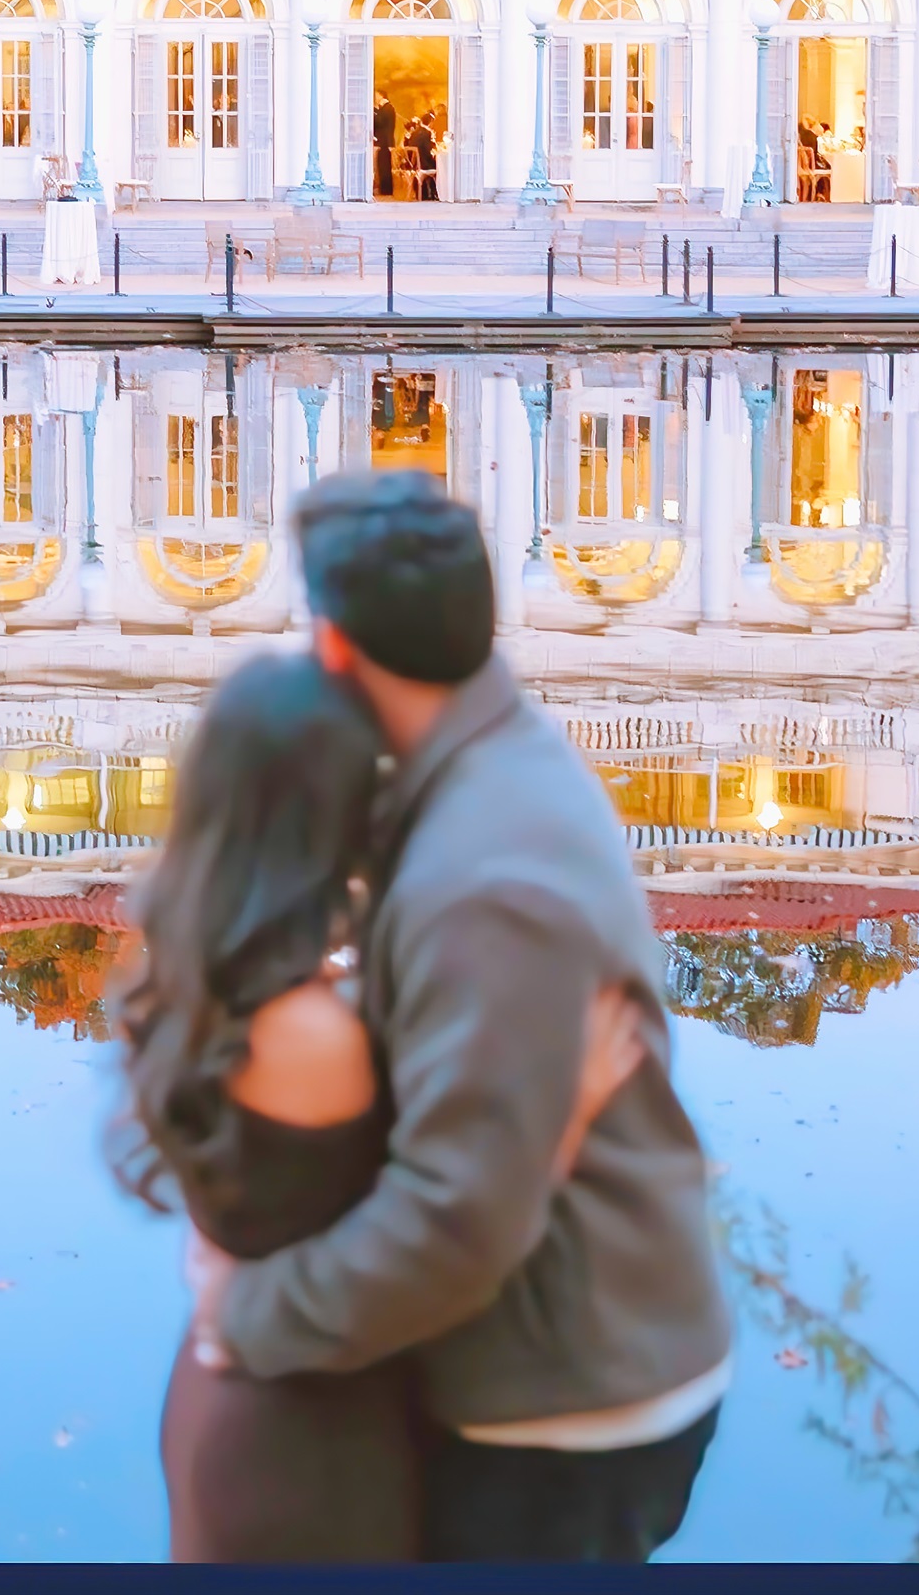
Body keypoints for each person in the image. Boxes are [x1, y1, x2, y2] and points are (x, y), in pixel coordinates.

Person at [185, 472, 732, 1564]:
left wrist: (243, 1319)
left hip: (561, 1393)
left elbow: (456, 1224)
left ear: (335, 647)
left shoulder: (485, 876)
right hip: (559, 1362)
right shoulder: (495, 768)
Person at [118, 650, 643, 1562]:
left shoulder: (195, 974)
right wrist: (570, 1110)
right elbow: (456, 1223)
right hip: (309, 1437)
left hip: (237, 1393)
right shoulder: (312, 1036)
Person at [406, 114, 438, 202]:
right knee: (439, 167)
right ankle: (436, 192)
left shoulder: (415, 132)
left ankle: (425, 193)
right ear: (430, 122)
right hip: (424, 164)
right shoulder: (426, 133)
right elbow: (428, 150)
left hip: (414, 163)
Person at [372, 93, 398, 198]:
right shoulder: (386, 108)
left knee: (384, 166)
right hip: (383, 142)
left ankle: (386, 189)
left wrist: (374, 111)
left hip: (384, 142)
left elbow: (380, 121)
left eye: (377, 95)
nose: (376, 98)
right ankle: (384, 188)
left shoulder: (388, 108)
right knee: (382, 166)